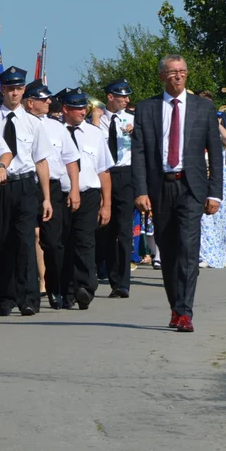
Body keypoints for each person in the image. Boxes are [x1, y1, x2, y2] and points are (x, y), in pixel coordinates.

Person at [131, 55, 223, 333]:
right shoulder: (147, 109)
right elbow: (138, 153)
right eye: (172, 72)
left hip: (191, 188)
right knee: (168, 251)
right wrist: (141, 190)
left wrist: (215, 193)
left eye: (182, 72)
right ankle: (175, 306)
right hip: (160, 187)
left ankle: (185, 312)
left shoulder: (202, 107)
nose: (178, 76)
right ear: (162, 76)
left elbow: (215, 152)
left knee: (188, 248)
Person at [0, 66, 53, 317]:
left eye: (19, 88)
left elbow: (41, 162)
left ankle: (28, 298)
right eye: (10, 88)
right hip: (0, 187)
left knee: (25, 241)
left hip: (25, 185)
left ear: (24, 90)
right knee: (2, 241)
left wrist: (46, 198)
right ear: (2, 90)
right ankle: (6, 297)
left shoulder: (33, 124)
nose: (15, 93)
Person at [24, 79, 80, 309]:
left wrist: (74, 188)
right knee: (24, 241)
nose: (49, 101)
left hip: (54, 188)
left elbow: (71, 160)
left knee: (54, 242)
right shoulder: (20, 124)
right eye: (42, 98)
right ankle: (27, 292)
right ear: (30, 102)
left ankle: (56, 288)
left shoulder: (57, 127)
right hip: (27, 185)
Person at [60, 89, 113, 310]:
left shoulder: (94, 134)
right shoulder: (55, 132)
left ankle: (84, 288)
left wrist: (106, 203)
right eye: (77, 107)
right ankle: (64, 290)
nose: (83, 111)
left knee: (84, 241)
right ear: (65, 109)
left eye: (84, 107)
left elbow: (103, 170)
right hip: (60, 194)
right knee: (61, 243)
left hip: (89, 194)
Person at [95, 80, 136, 298]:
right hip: (101, 175)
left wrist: (135, 133)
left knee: (124, 229)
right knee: (106, 229)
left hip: (124, 175)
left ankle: (123, 282)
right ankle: (110, 274)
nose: (127, 100)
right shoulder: (97, 120)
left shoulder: (131, 120)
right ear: (110, 97)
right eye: (123, 97)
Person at [198, 114, 226, 269]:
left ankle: (223, 254)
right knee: (203, 220)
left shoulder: (218, 141)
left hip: (220, 180)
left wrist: (216, 123)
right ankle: (204, 255)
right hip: (201, 178)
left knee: (222, 221)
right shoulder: (198, 140)